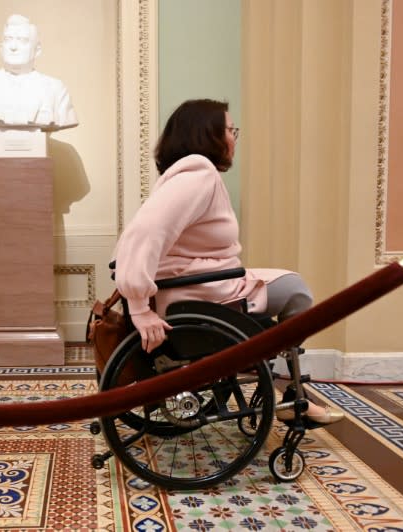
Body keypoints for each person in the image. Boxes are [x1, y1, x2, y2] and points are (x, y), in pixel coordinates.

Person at [112, 98, 343, 426]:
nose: (234, 138)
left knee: (289, 284)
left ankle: (269, 373)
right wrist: (139, 307)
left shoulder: (185, 177)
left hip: (199, 285)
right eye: (231, 130)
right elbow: (144, 233)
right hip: (200, 293)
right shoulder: (198, 175)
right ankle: (273, 376)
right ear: (209, 135)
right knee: (297, 290)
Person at [0, 14, 78, 131]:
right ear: (1, 48)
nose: (13, 47)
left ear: (37, 50)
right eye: (8, 40)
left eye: (22, 41)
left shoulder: (55, 89)